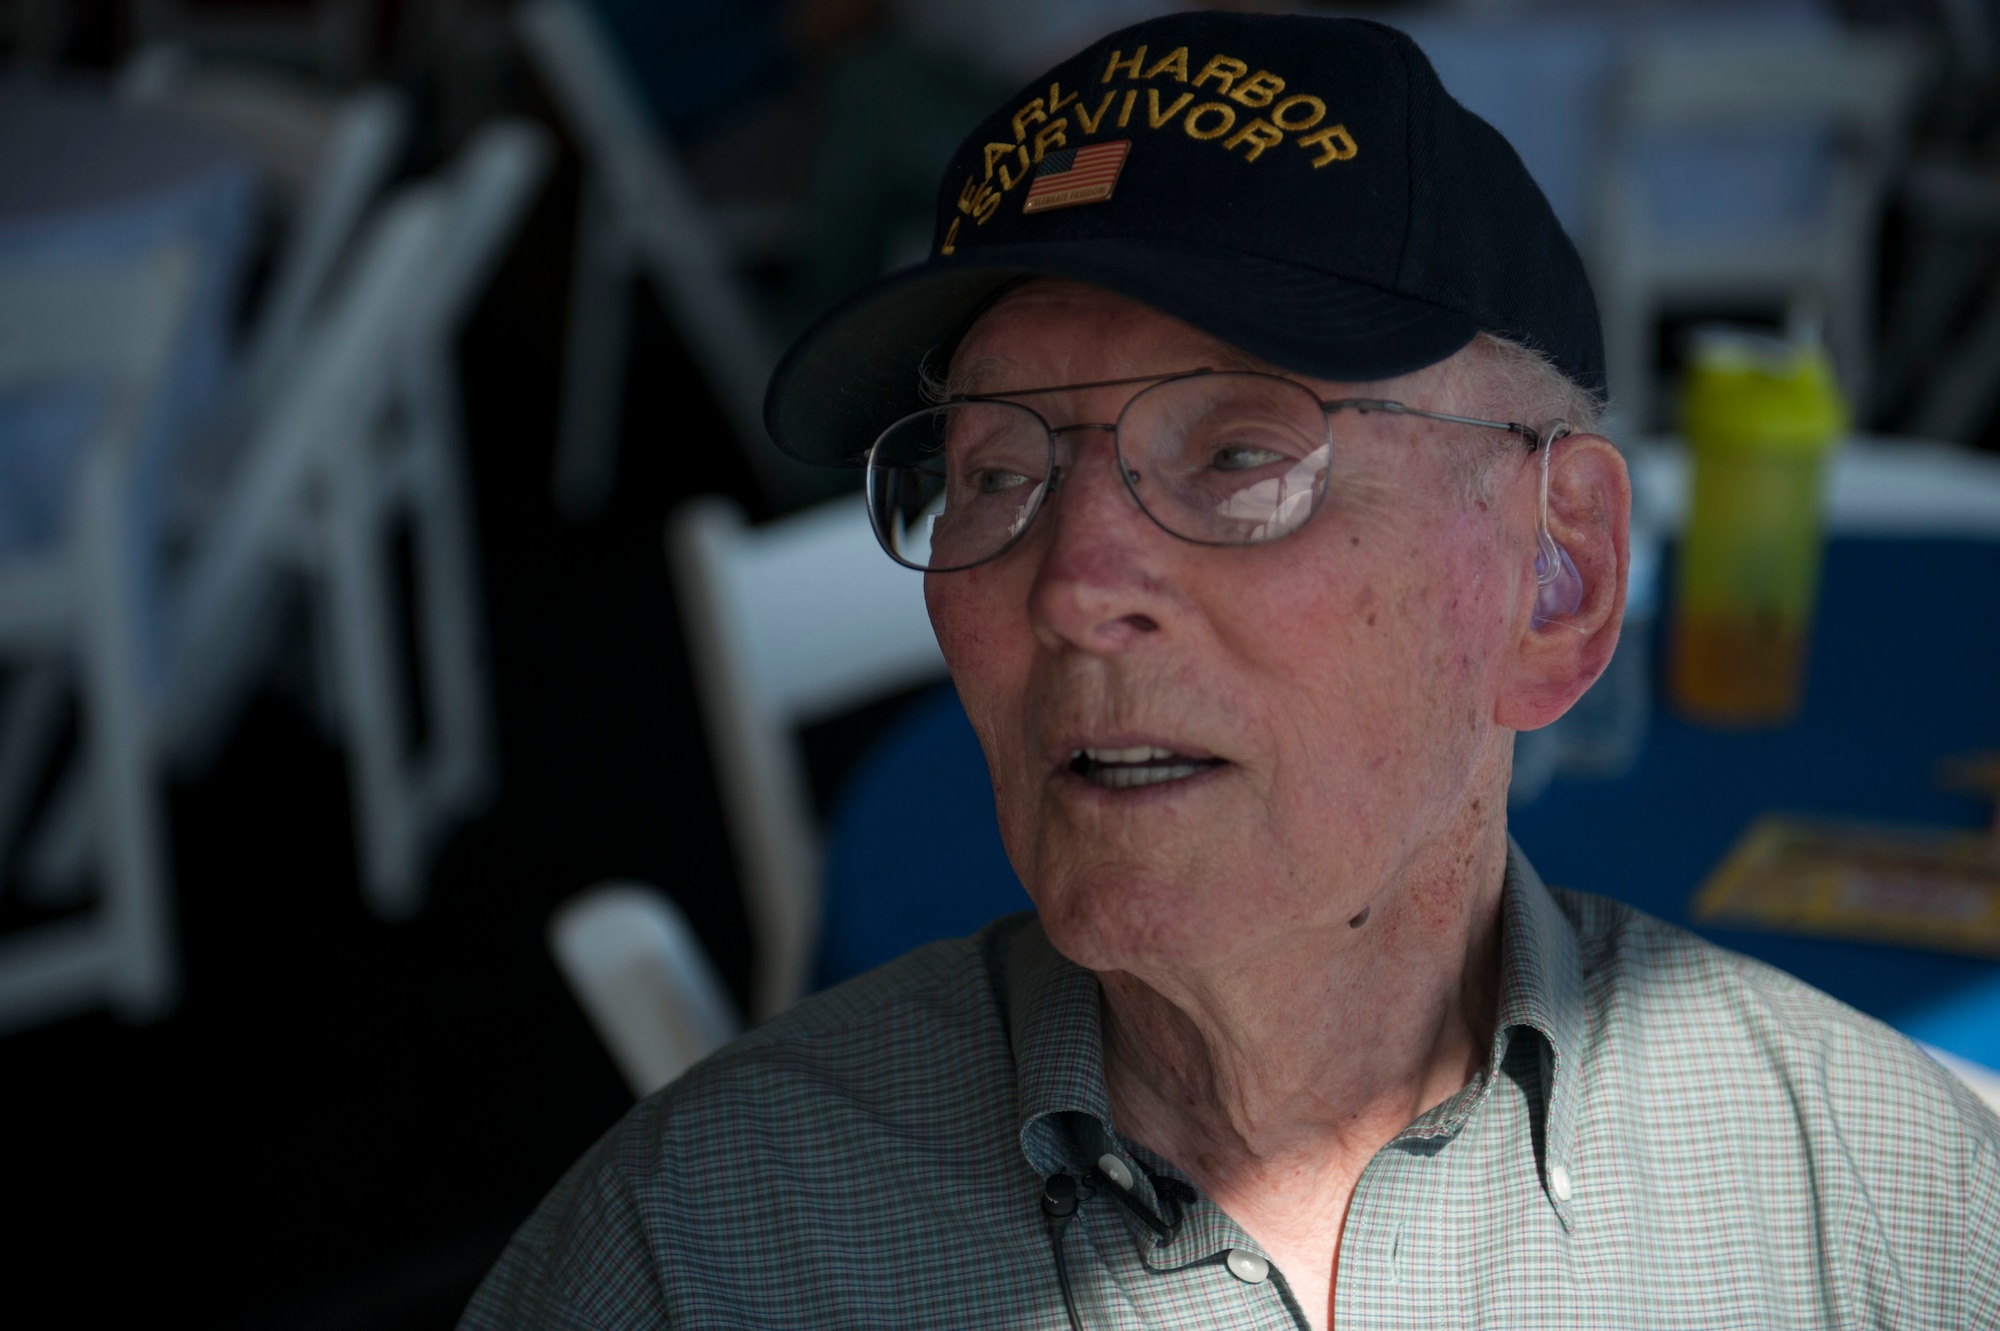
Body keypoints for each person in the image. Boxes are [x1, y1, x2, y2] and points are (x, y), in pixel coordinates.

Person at [463, 12, 1999, 1328]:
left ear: (1558, 575)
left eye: (1246, 456)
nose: (1069, 587)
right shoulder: (694, 1260)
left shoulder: (1881, 1222)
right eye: (994, 474)